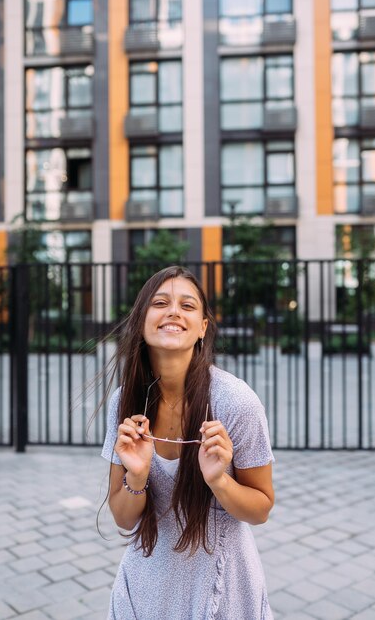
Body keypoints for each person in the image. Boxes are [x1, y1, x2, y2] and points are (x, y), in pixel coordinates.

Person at [101, 265, 275, 619]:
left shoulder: (236, 402)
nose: (174, 312)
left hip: (220, 588)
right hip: (146, 583)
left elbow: (260, 509)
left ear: (202, 328)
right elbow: (123, 518)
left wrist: (219, 480)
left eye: (188, 306)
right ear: (141, 320)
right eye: (160, 302)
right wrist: (136, 477)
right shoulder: (126, 402)